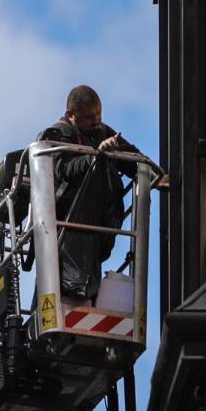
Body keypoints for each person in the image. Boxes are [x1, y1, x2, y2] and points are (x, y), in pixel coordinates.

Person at [37, 85, 163, 304]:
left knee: (86, 279)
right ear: (71, 115)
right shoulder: (56, 135)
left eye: (99, 114)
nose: (96, 121)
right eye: (88, 117)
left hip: (96, 224)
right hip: (68, 225)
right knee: (67, 283)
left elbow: (131, 157)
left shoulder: (101, 131)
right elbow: (65, 169)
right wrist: (98, 156)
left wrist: (157, 177)